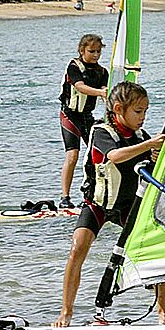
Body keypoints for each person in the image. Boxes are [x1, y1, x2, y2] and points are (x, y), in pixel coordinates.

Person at [54, 82, 165, 327]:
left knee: (154, 248)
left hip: (128, 205)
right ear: (118, 108)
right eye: (138, 112)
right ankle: (66, 312)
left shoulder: (141, 137)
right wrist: (149, 146)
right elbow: (115, 156)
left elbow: (154, 165)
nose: (143, 117)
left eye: (146, 111)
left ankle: (162, 311)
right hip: (97, 204)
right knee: (78, 248)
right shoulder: (101, 132)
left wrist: (157, 154)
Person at [58, 33, 109, 207]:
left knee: (98, 156)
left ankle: (93, 196)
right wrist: (101, 92)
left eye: (98, 52)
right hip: (70, 116)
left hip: (87, 118)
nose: (95, 55)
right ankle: (65, 197)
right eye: (92, 51)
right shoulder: (74, 67)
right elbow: (80, 86)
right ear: (82, 50)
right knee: (72, 155)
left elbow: (105, 93)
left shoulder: (102, 72)